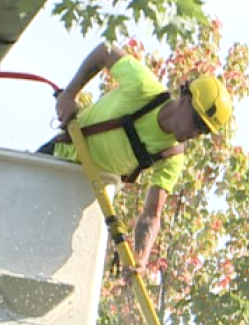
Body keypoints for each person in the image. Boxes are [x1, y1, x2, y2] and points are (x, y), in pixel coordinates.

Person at [38, 42, 233, 273]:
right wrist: (69, 94)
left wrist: (141, 258)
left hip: (86, 196)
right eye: (197, 122)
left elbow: (152, 215)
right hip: (57, 159)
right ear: (186, 97)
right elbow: (106, 51)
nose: (195, 133)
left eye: (203, 131)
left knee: (52, 261)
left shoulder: (172, 156)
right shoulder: (142, 87)